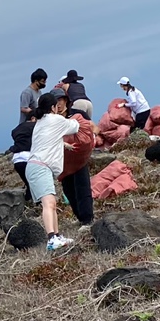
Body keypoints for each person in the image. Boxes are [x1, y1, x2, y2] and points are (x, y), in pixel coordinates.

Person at [25, 92, 81, 251]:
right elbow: (75, 127)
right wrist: (76, 117)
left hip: (38, 166)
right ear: (53, 107)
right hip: (40, 167)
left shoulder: (41, 122)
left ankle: (57, 235)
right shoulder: (55, 120)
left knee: (52, 203)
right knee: (49, 203)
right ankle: (51, 238)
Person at [58, 97, 94, 227]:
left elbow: (89, 129)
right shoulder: (52, 120)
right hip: (63, 162)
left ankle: (87, 219)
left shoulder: (77, 115)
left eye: (60, 101)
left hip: (79, 159)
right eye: (55, 102)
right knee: (69, 191)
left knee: (82, 188)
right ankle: (80, 217)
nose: (58, 105)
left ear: (66, 102)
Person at [10, 118, 34, 201]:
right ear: (33, 118)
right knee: (34, 185)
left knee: (29, 184)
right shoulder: (34, 126)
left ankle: (27, 200)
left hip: (17, 159)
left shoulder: (16, 130)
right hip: (29, 158)